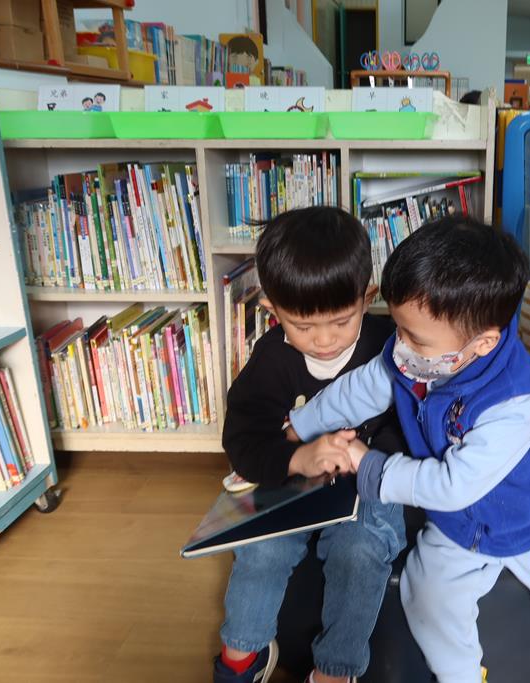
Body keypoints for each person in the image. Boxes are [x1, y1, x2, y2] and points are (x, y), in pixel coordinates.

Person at [289, 217, 530, 683]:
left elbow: (452, 484)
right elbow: (361, 388)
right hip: (462, 525)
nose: (399, 346)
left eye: (415, 338)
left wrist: (370, 467)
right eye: (398, 328)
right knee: (427, 597)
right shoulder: (415, 356)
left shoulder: (513, 403)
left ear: (482, 344)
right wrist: (302, 425)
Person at [214, 206, 406, 683]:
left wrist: (369, 456)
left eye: (340, 322)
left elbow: (411, 422)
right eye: (302, 326)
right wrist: (298, 457)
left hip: (370, 484)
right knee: (260, 549)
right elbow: (243, 441)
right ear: (272, 311)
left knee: (361, 551)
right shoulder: (271, 360)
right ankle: (243, 652)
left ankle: (334, 671)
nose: (323, 341)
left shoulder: (391, 345)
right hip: (292, 484)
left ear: (368, 297)